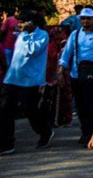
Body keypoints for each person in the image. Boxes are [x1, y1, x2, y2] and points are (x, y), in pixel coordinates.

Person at [0, 10, 53, 155]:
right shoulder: (21, 35)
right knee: (5, 109)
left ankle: (45, 131)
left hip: (30, 80)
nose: (19, 25)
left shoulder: (42, 35)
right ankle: (7, 142)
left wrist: (27, 35)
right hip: (13, 77)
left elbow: (32, 51)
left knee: (29, 109)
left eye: (22, 22)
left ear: (31, 23)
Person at [58, 7, 93, 145]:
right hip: (76, 74)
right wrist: (61, 70)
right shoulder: (75, 35)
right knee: (80, 106)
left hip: (92, 74)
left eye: (88, 18)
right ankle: (85, 130)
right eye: (83, 18)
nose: (85, 21)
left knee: (88, 104)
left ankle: (89, 133)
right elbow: (67, 53)